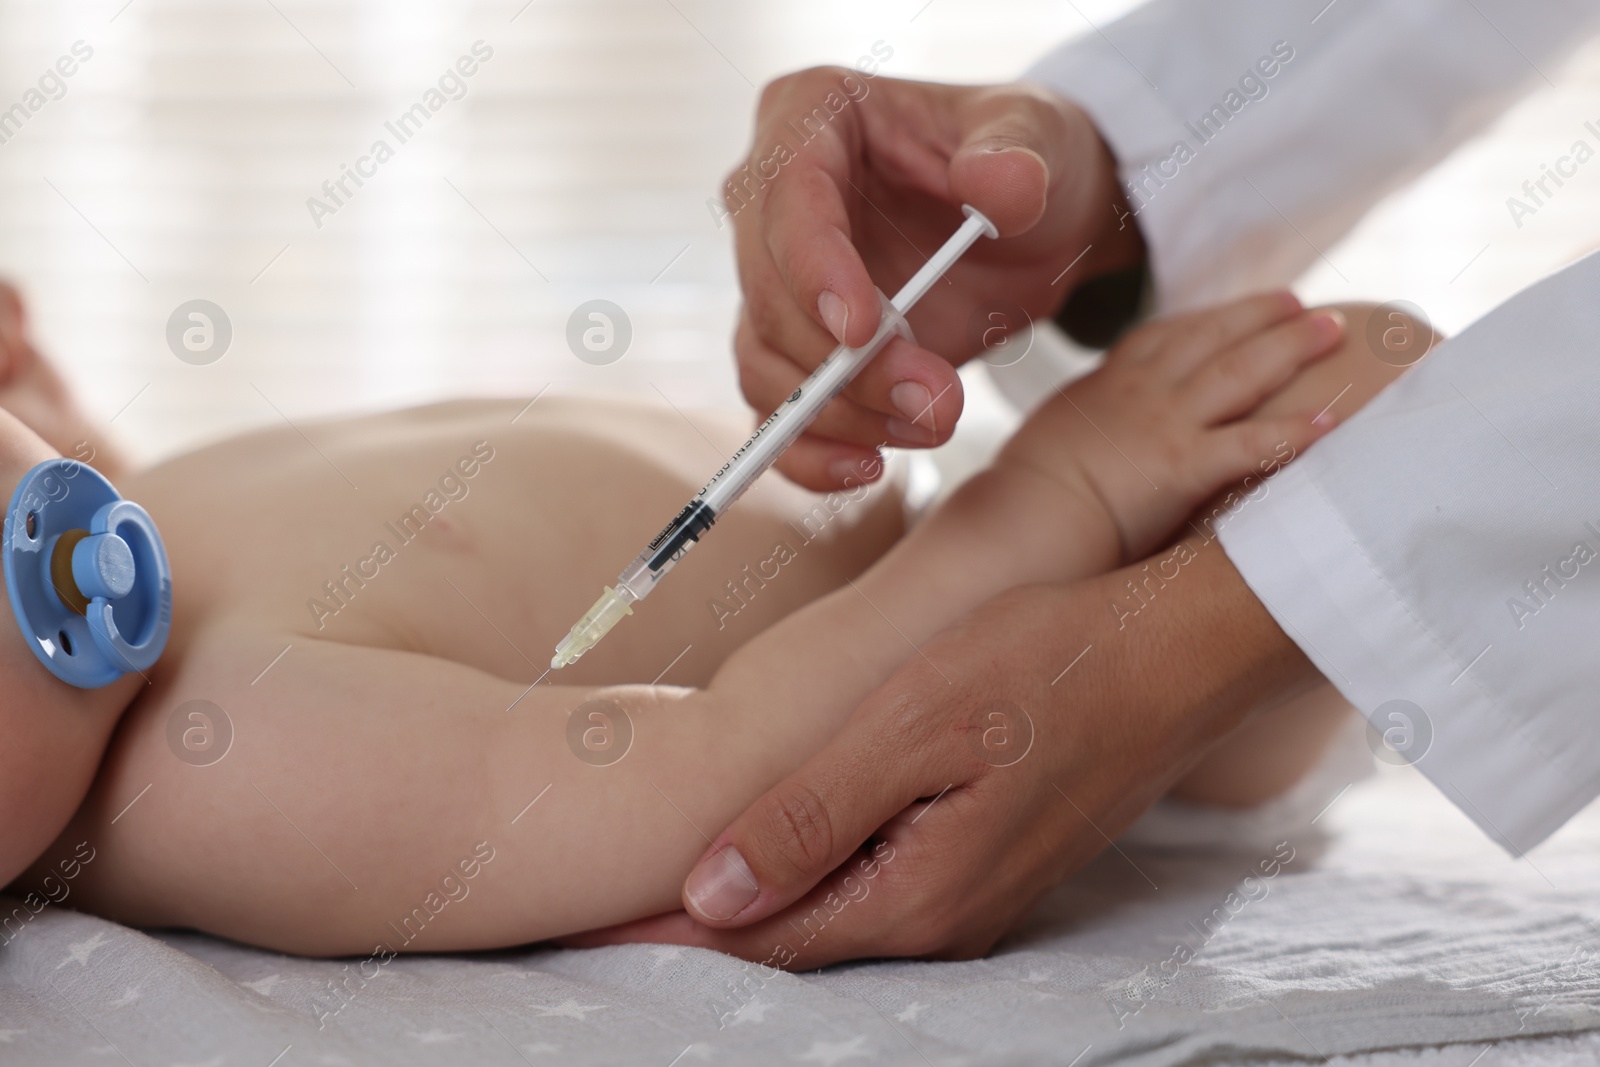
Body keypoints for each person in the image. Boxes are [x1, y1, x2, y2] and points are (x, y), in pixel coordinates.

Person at [585, 0, 1600, 966]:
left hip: (1014, 570)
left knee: (1334, 384)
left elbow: (690, 765)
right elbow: (707, 769)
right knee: (1340, 396)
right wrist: (1103, 170)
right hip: (981, 588)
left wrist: (1095, 521)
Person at [2, 266, 1392, 955]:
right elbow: (718, 757)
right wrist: (1056, 499)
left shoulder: (152, 489)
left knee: (1359, 357)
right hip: (1025, 650)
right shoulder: (220, 766)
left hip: (946, 515)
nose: (57, 549)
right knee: (1380, 381)